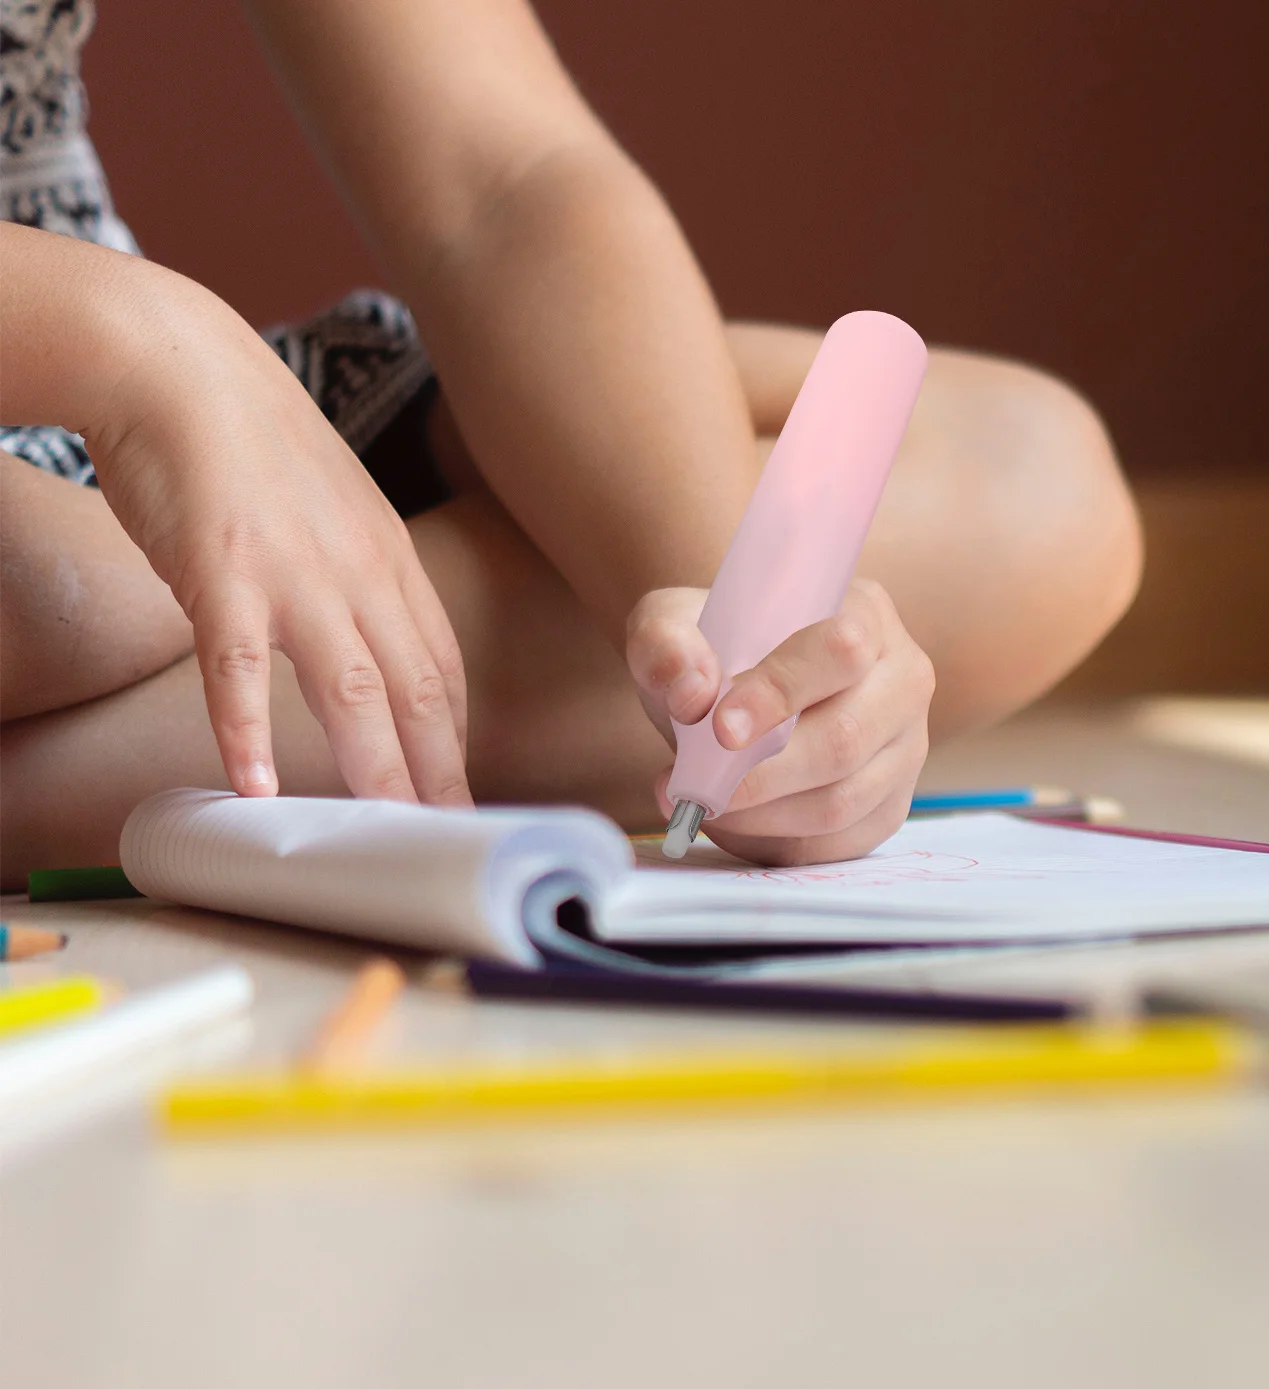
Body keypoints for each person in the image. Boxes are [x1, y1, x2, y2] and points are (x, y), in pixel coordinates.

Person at [0, 0, 1140, 887]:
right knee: (52, 582)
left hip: (163, 404)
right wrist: (132, 343)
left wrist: (731, 646)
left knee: (1028, 482)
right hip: (109, 361)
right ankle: (152, 680)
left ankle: (77, 749)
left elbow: (501, 186)